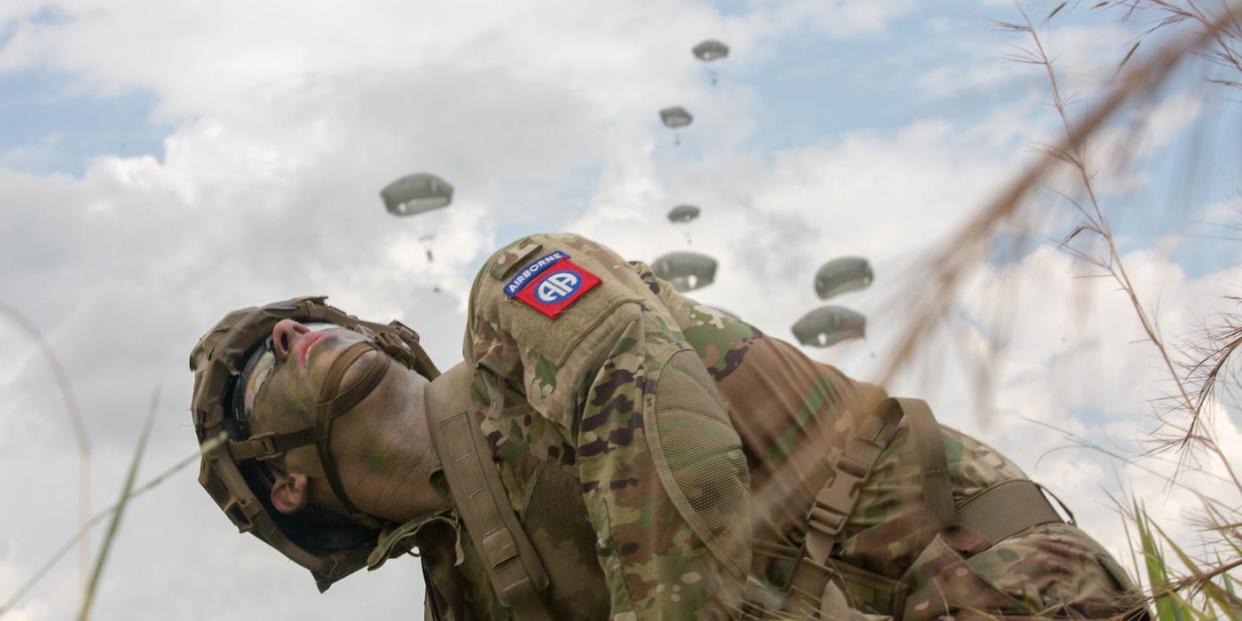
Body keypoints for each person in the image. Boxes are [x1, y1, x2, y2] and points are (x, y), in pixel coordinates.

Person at [189, 232, 1145, 620]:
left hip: (997, 581)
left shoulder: (510, 303)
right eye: (262, 366)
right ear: (284, 484)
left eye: (304, 320)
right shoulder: (469, 600)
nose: (292, 331)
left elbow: (646, 412)